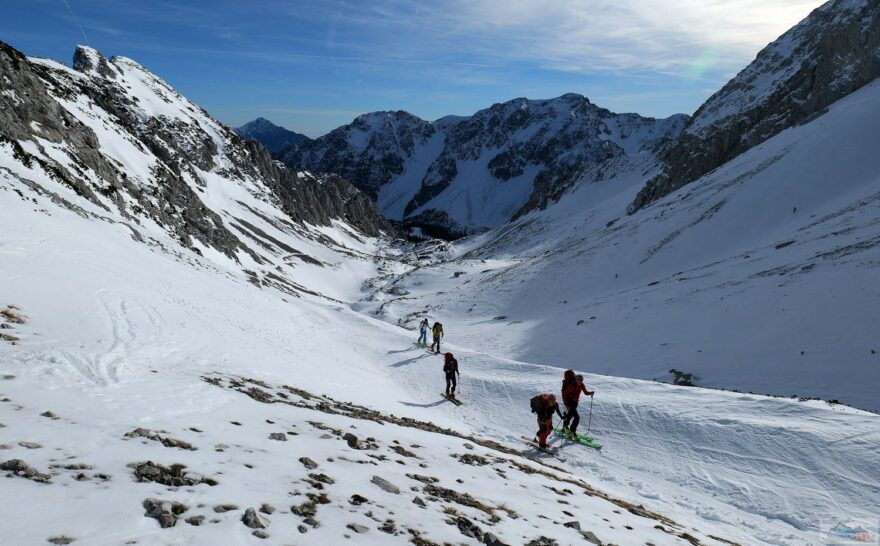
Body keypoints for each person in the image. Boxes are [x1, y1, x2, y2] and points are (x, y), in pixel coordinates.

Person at [561, 371, 594, 438]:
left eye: (581, 380)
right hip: (569, 402)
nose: (580, 381)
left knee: (569, 415)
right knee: (576, 417)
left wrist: (590, 393)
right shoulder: (572, 386)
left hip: (575, 403)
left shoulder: (582, 385)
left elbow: (585, 392)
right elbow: (564, 393)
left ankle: (564, 427)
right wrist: (566, 404)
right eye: (578, 380)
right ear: (575, 379)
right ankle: (572, 431)